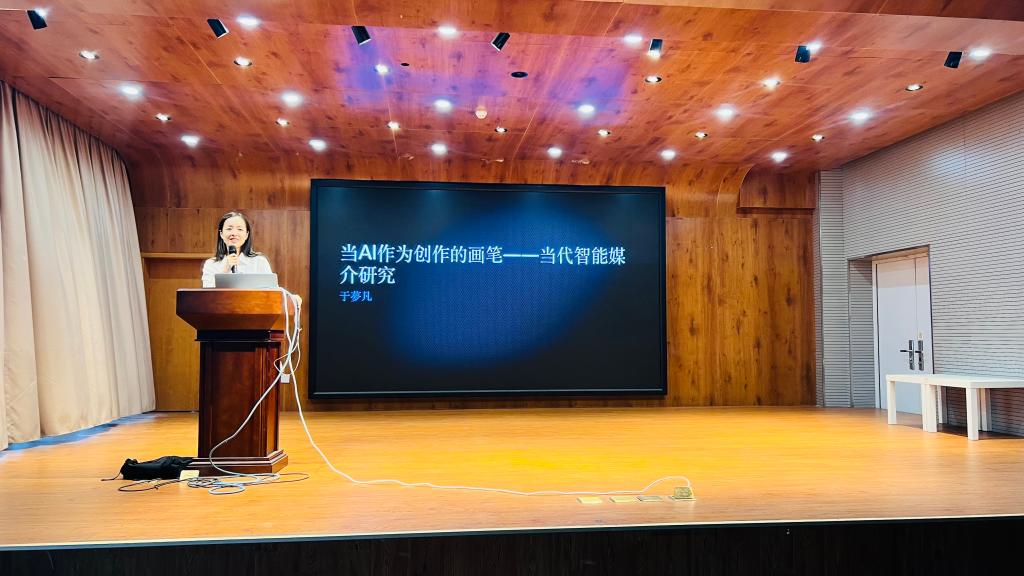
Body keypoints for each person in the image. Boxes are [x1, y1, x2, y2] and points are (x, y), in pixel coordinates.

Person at [201, 211, 272, 287]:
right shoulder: (211, 264)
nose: (234, 233)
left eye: (240, 229)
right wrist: (224, 271)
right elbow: (208, 292)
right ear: (221, 234)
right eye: (229, 229)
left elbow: (272, 291)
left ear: (246, 235)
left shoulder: (259, 262)